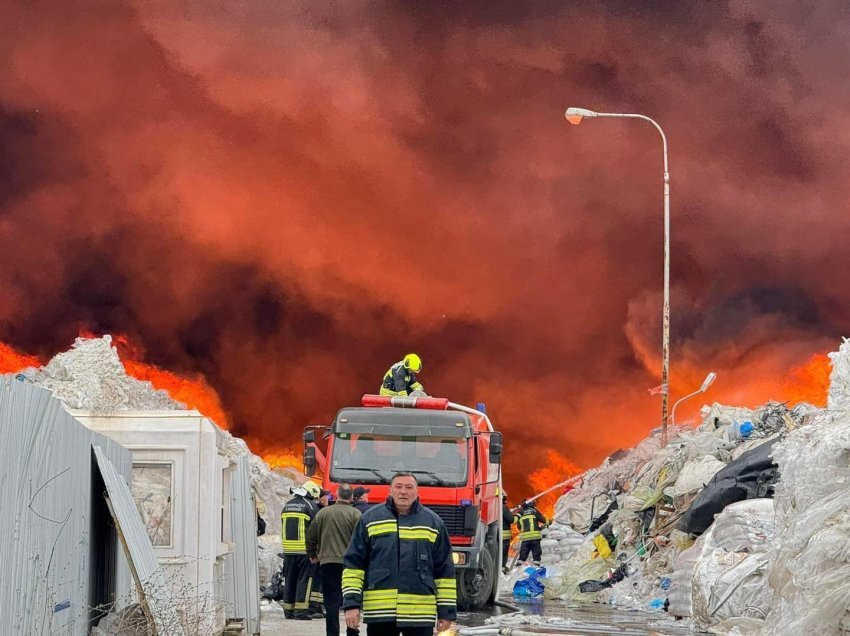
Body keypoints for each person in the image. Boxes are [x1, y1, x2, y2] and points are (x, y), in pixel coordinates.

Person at [342, 472, 456, 636]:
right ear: (390, 491)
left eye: (409, 487)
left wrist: (446, 613)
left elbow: (444, 571)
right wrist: (351, 605)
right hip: (380, 614)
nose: (403, 492)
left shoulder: (433, 523)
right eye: (399, 487)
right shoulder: (369, 519)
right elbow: (354, 565)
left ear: (417, 492)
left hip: (419, 615)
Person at [306, 483, 363, 636]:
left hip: (327, 563)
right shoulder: (356, 514)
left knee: (331, 601)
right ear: (351, 497)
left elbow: (311, 535)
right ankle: (352, 630)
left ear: (337, 495)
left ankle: (332, 633)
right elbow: (362, 540)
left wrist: (312, 554)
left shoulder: (323, 513)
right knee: (351, 600)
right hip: (350, 565)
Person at [281, 484, 322, 619]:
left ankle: (288, 610)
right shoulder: (309, 506)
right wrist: (314, 552)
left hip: (288, 550)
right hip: (303, 551)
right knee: (304, 580)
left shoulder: (287, 505)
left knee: (290, 579)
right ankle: (301, 612)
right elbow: (315, 530)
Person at [515, 499, 548, 568]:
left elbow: (519, 526)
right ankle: (536, 566)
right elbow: (544, 520)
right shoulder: (534, 511)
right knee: (536, 554)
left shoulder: (520, 512)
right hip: (535, 537)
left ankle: (518, 567)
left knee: (523, 554)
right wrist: (548, 523)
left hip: (525, 538)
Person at [501, 494, 514, 573]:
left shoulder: (495, 507)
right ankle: (502, 567)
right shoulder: (504, 508)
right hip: (504, 536)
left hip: (496, 535)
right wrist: (517, 516)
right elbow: (511, 519)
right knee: (504, 552)